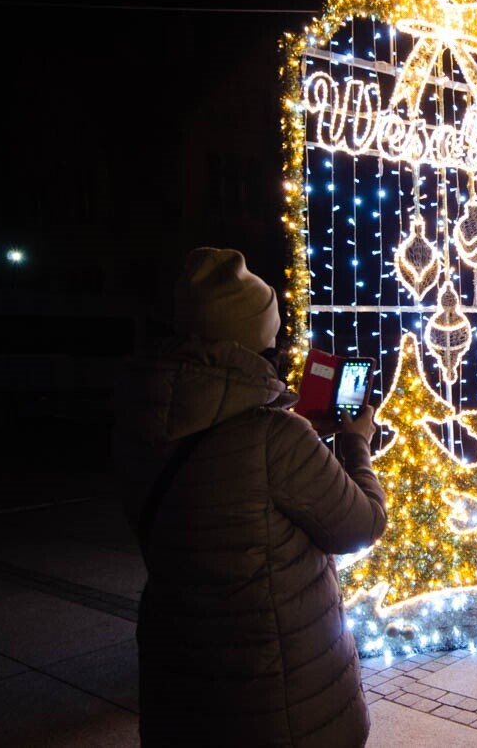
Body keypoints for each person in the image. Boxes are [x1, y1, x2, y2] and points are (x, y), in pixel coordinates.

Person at [114, 247, 387, 747]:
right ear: (254, 337)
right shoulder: (273, 437)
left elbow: (229, 490)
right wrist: (355, 443)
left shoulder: (142, 421)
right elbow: (362, 525)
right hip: (277, 692)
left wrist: (297, 439)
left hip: (181, 679)